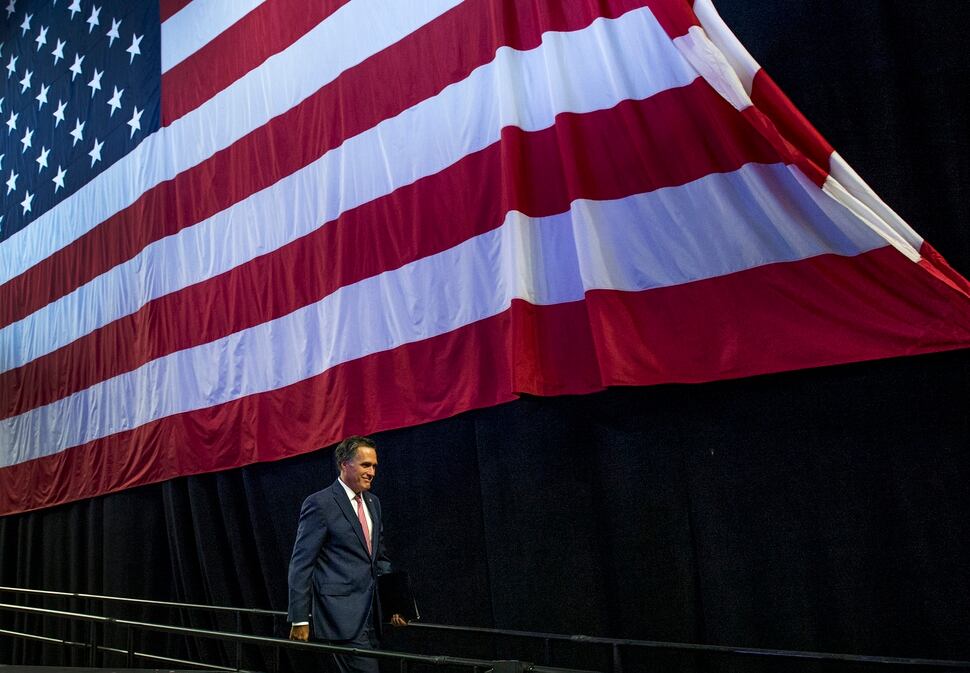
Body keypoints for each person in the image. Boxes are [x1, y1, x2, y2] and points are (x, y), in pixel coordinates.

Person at [287, 435, 406, 673]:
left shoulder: (374, 503)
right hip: (339, 618)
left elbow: (379, 558)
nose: (372, 472)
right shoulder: (320, 504)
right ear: (344, 464)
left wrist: (395, 604)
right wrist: (299, 618)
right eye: (365, 465)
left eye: (374, 466)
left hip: (372, 617)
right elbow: (301, 564)